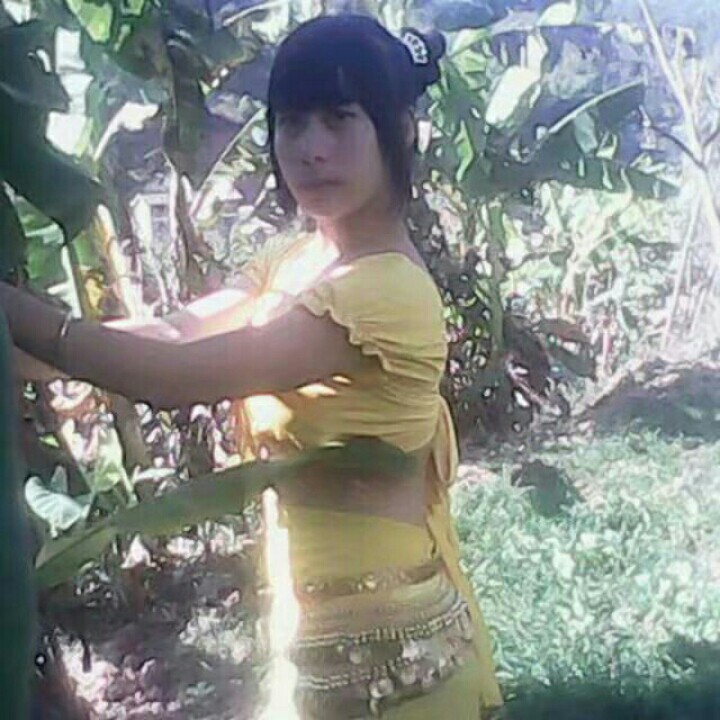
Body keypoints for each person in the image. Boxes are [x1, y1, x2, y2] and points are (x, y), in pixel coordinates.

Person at [1, 13, 504, 719]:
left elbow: (174, 378)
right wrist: (35, 355)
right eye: (292, 123)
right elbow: (172, 335)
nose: (311, 149)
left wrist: (17, 312)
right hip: (320, 643)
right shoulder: (297, 259)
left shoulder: (385, 292)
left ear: (401, 130)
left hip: (392, 663)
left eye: (339, 119)